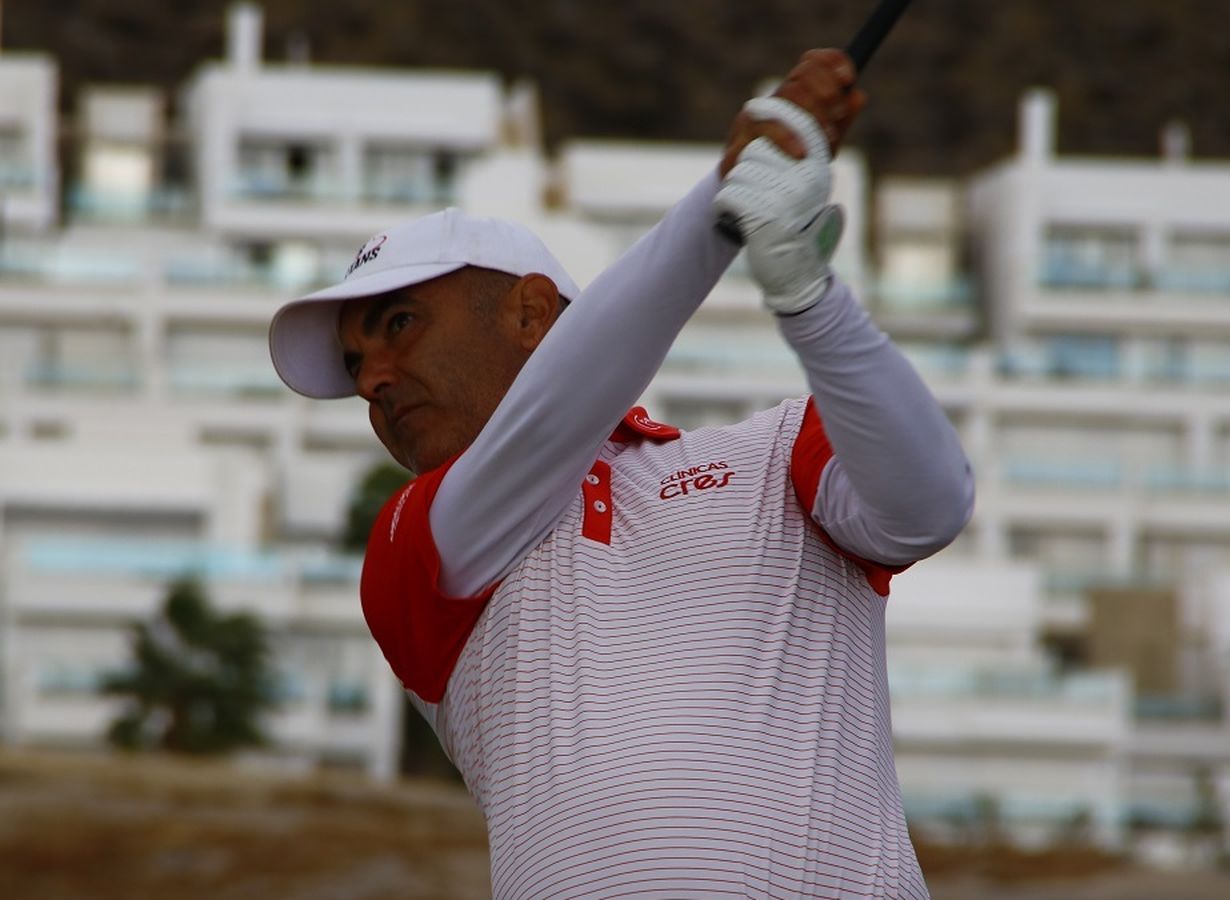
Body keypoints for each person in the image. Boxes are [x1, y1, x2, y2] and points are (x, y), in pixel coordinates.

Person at [268, 48, 971, 899]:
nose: (371, 380)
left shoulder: (778, 451)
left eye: (399, 324)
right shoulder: (410, 543)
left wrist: (808, 293)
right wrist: (726, 199)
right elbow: (564, 401)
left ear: (532, 312)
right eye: (354, 364)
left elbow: (930, 505)